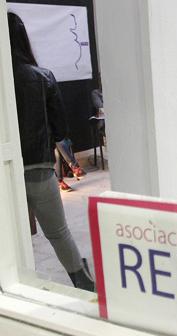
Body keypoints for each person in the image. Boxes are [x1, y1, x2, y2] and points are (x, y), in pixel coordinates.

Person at [8, 12, 94, 291]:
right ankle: (82, 282)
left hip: (6, 173)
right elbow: (60, 131)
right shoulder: (42, 77)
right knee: (58, 232)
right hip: (39, 168)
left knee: (10, 238)